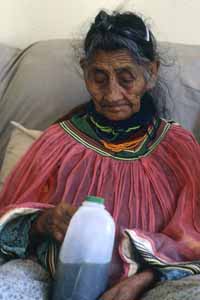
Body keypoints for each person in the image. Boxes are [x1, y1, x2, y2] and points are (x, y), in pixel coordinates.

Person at [0, 9, 200, 300]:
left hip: (154, 281)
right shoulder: (59, 140)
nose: (112, 94)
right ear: (84, 71)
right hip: (50, 272)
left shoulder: (178, 147)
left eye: (126, 78)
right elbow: (7, 218)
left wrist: (141, 280)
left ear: (151, 73)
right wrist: (43, 221)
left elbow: (193, 238)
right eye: (99, 78)